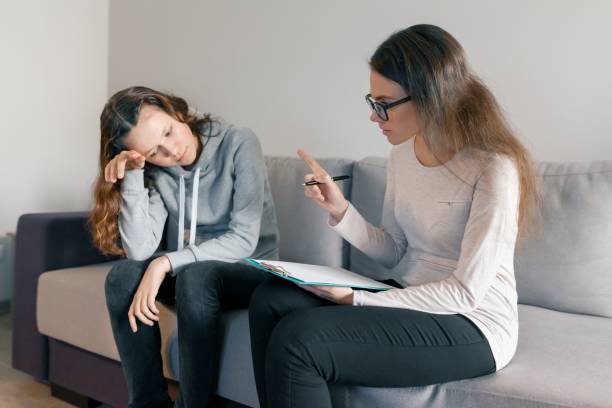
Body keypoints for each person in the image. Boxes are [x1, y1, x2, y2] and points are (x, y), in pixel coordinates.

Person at [247, 24, 541, 408]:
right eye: (373, 101)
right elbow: (397, 251)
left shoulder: (492, 169)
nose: (375, 117)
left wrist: (357, 299)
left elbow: (466, 292)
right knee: (270, 298)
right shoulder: (403, 153)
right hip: (409, 294)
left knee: (302, 339)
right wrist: (341, 210)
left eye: (383, 104)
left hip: (473, 324)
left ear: (431, 97)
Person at [89, 86, 279, 407]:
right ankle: (148, 403)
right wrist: (134, 176)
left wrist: (163, 264)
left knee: (196, 276)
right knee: (122, 276)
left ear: (176, 112)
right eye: (153, 152)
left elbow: (244, 240)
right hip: (194, 280)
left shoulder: (238, 143)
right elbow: (139, 249)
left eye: (168, 132)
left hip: (251, 272)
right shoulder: (158, 171)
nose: (171, 151)